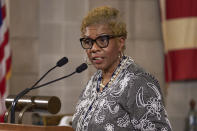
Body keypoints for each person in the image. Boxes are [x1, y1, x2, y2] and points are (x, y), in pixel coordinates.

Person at [72, 6, 172, 131]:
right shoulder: (93, 82)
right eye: (88, 41)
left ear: (120, 42)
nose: (93, 48)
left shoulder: (138, 82)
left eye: (102, 40)